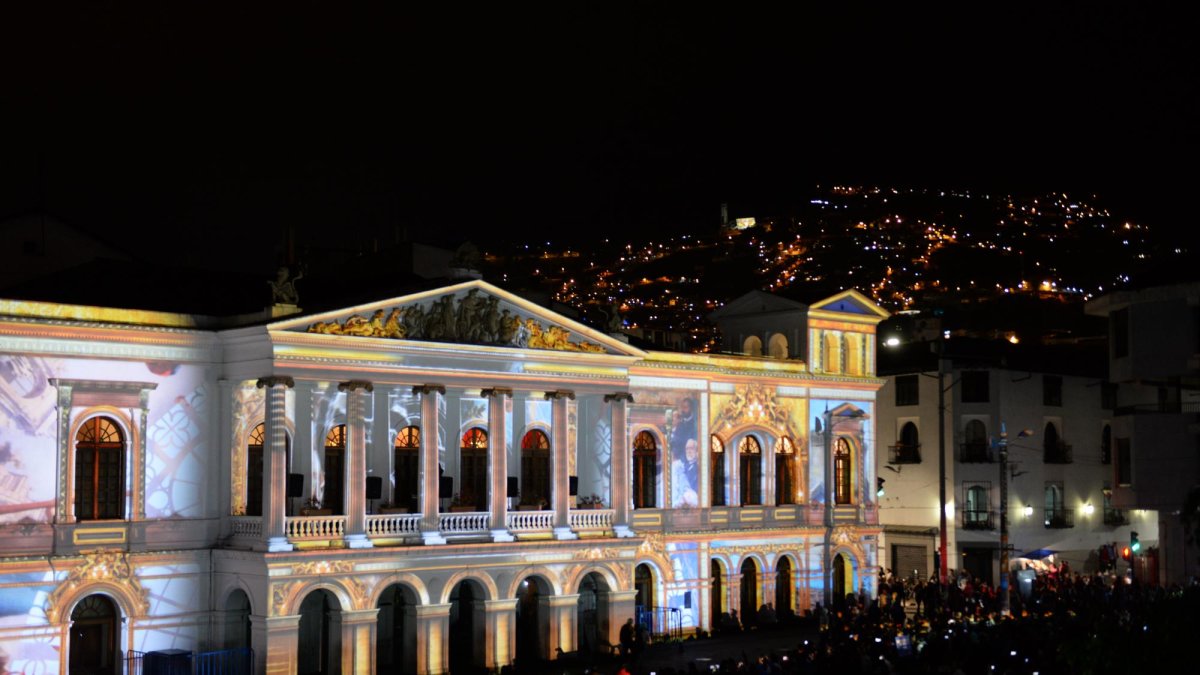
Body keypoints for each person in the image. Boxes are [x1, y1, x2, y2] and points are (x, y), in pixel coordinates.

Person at [670, 438, 700, 507]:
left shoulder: (699, 468)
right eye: (687, 449)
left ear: (697, 451)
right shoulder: (683, 466)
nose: (688, 451)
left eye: (691, 448)